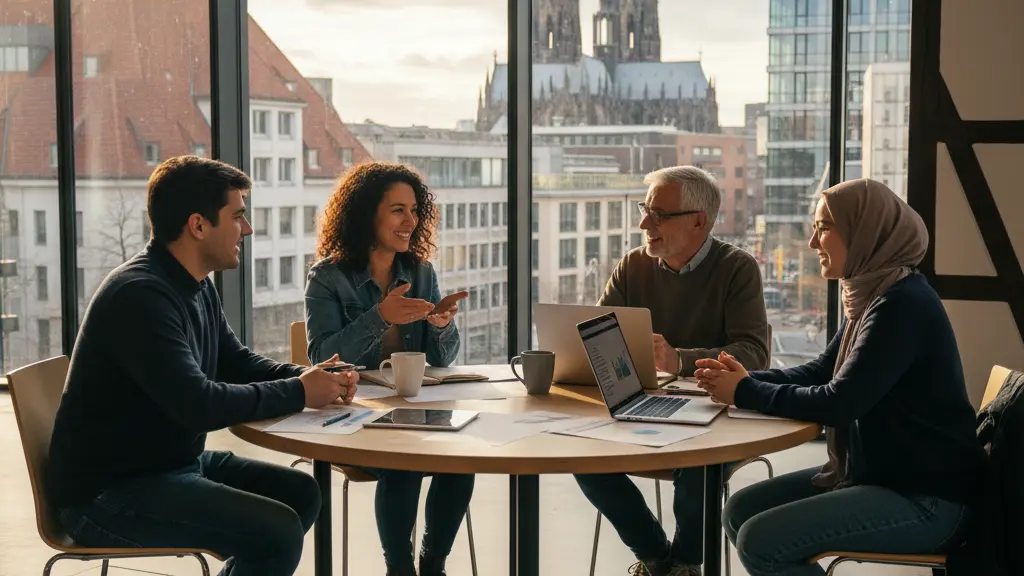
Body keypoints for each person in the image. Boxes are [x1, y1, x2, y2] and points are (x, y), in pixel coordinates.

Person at [46, 156, 360, 576]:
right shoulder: (140, 297)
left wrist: (311, 376)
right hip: (108, 494)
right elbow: (198, 404)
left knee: (302, 492)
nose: (247, 230)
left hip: (169, 466)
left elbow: (235, 362)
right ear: (198, 225)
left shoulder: (193, 283)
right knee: (277, 532)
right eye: (238, 217)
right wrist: (301, 392)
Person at [696, 178, 984, 576]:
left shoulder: (901, 306)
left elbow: (839, 402)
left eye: (824, 228)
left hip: (928, 498)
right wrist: (749, 379)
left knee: (760, 541)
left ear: (865, 232)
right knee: (739, 511)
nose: (813, 243)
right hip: (887, 473)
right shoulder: (875, 294)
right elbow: (821, 371)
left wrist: (745, 390)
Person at [574, 165, 770, 576]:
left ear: (699, 221)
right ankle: (661, 560)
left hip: (716, 416)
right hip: (645, 406)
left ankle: (686, 564)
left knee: (695, 462)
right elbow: (594, 336)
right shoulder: (633, 266)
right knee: (580, 455)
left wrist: (680, 359)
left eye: (658, 214)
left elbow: (753, 352)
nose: (645, 223)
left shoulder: (737, 268)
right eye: (645, 210)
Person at [305, 161, 471, 576]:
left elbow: (443, 360)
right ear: (366, 214)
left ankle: (433, 565)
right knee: (405, 458)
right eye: (398, 210)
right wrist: (381, 315)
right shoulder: (327, 278)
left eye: (415, 211)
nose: (410, 221)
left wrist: (443, 325)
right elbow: (321, 358)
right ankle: (399, 570)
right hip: (352, 412)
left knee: (463, 458)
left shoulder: (419, 272)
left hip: (412, 408)